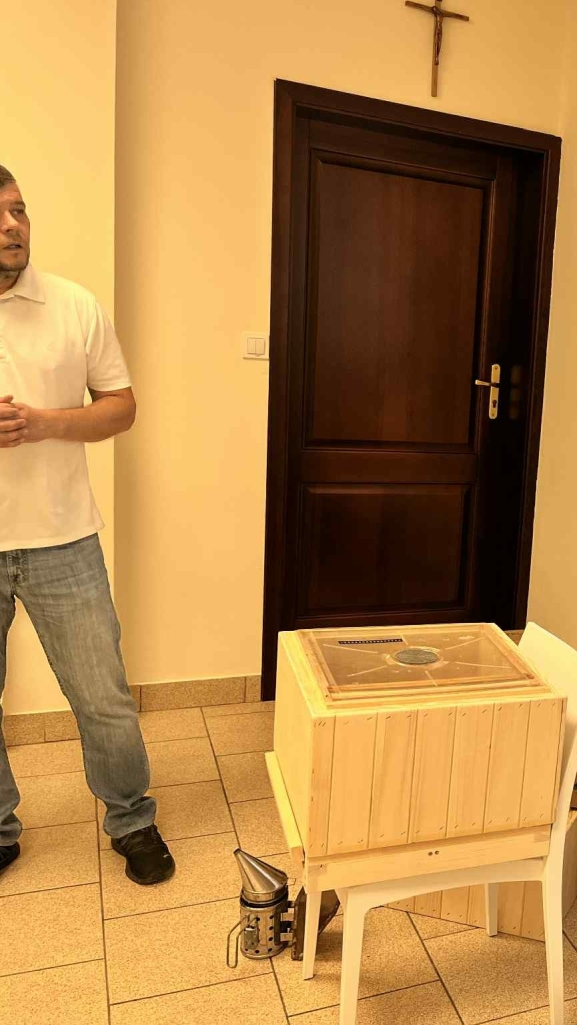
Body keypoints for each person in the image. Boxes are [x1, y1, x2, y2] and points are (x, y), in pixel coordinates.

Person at [0, 164, 174, 885]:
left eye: (18, 210)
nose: (11, 226)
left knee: (102, 695)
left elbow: (121, 406)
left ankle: (132, 819)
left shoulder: (73, 305)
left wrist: (45, 423)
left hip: (64, 536)